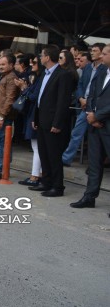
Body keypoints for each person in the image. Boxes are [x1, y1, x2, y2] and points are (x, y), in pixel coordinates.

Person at [30, 44, 75, 197]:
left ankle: (57, 186)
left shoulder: (63, 75)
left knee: (54, 155)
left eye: (41, 55)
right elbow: (40, 98)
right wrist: (35, 118)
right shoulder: (44, 73)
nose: (40, 58)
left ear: (47, 57)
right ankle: (46, 182)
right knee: (44, 153)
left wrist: (57, 123)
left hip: (53, 122)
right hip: (42, 120)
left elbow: (63, 101)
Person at [70, 45, 110, 209]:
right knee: (94, 164)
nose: (101, 56)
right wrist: (90, 114)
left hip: (107, 125)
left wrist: (97, 116)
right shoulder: (101, 72)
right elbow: (91, 94)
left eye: (105, 54)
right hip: (94, 125)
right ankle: (89, 197)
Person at [62, 43, 105, 166]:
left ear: (102, 53)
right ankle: (66, 159)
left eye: (95, 50)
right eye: (91, 50)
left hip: (97, 108)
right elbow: (79, 85)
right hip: (84, 106)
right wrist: (81, 98)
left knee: (97, 138)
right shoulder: (87, 68)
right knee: (76, 133)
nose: (92, 52)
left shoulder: (105, 69)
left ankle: (96, 163)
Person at [16, 54, 44, 187]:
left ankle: (35, 176)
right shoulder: (37, 77)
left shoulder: (41, 78)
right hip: (33, 113)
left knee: (37, 147)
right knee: (37, 147)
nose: (32, 65)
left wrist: (24, 87)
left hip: (35, 114)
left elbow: (33, 97)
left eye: (35, 63)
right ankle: (38, 174)